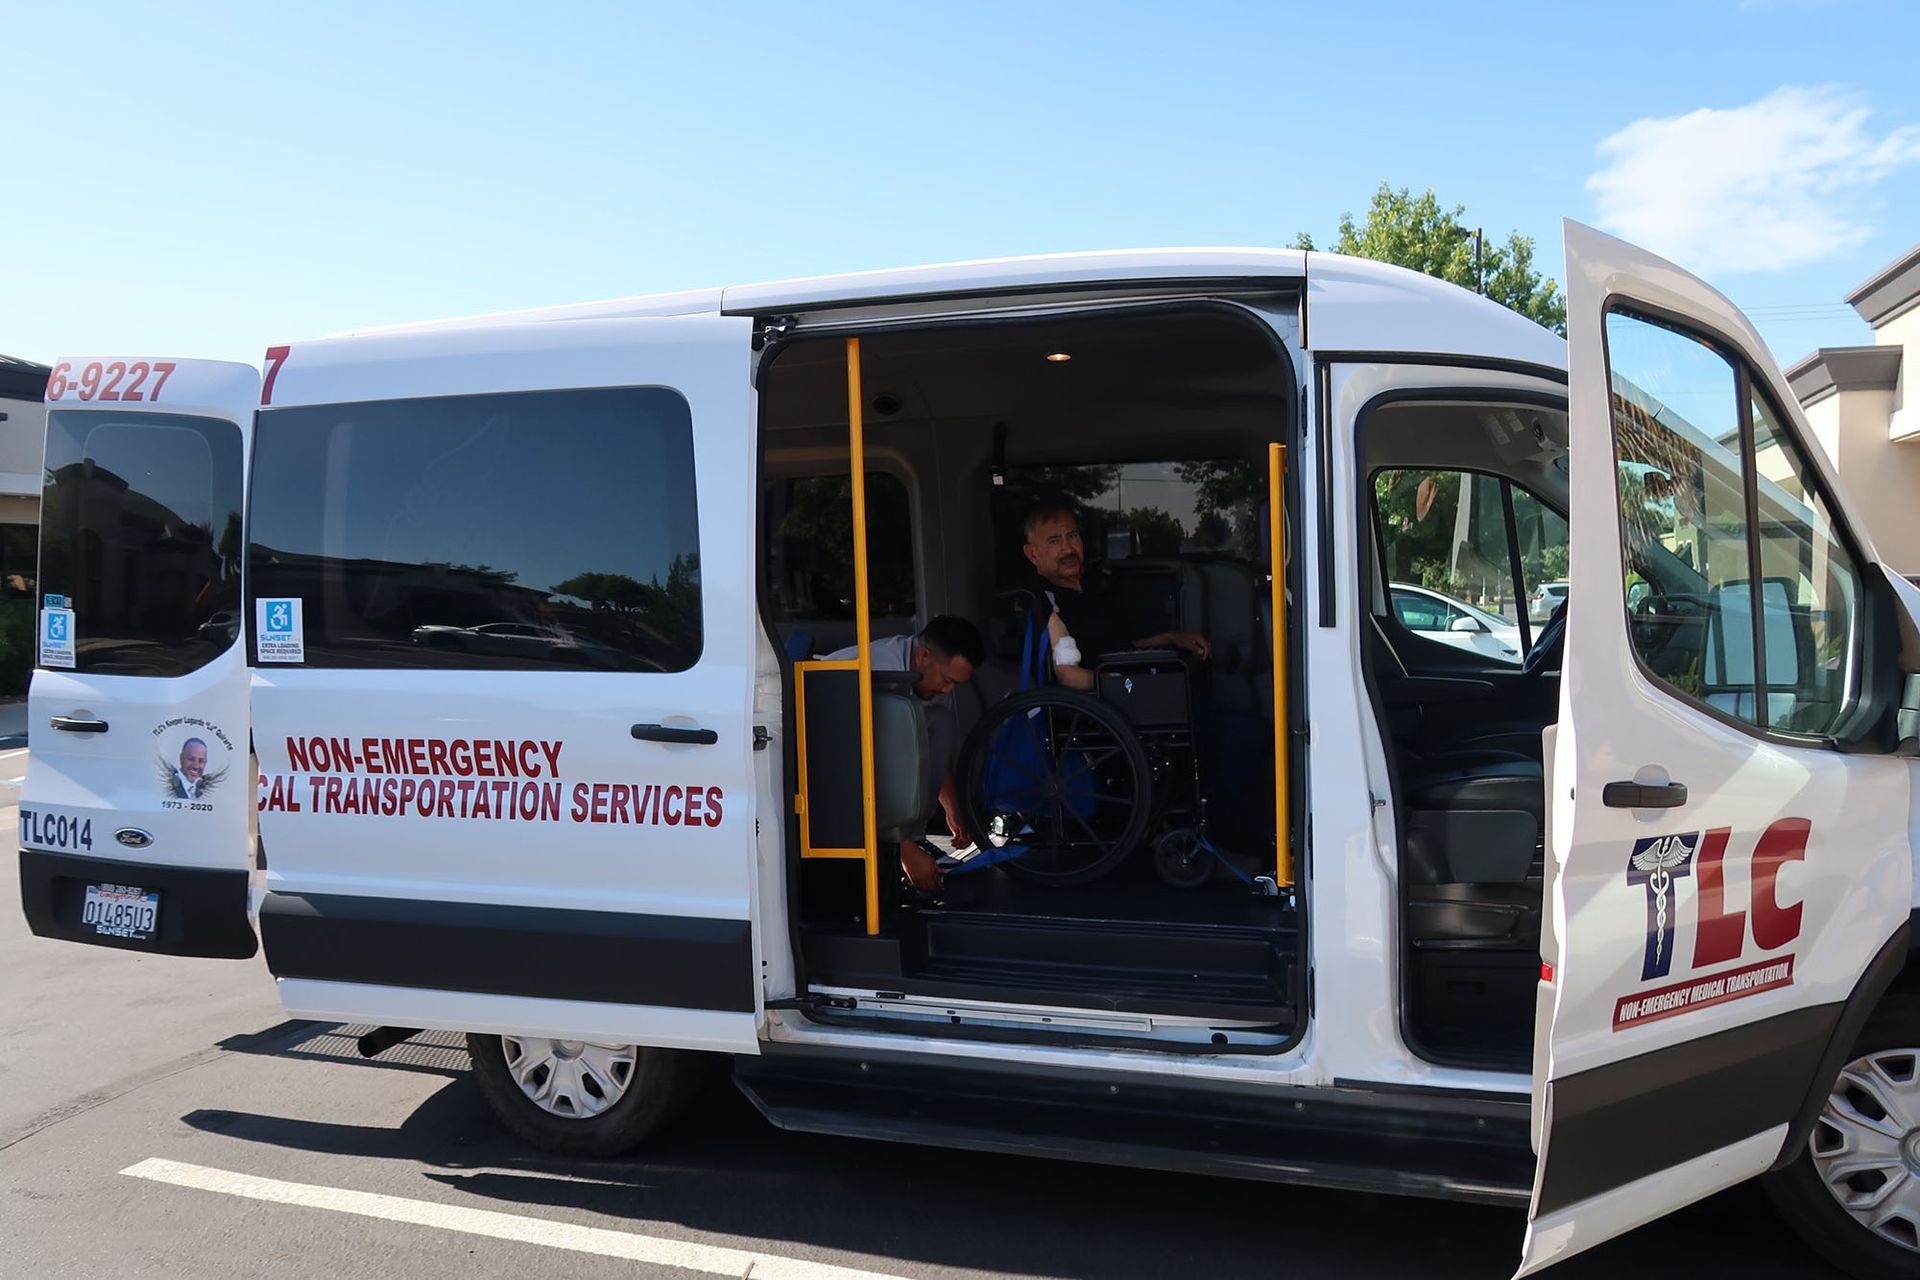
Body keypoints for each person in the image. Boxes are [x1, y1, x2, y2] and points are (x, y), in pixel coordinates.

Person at [827, 615, 984, 891]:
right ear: (923, 656)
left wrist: (952, 807)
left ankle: (911, 838)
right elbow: (865, 767)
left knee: (938, 721)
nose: (948, 690)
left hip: (864, 771)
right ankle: (900, 846)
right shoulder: (878, 674)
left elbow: (932, 743)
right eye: (947, 680)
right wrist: (905, 851)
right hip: (830, 770)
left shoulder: (926, 675)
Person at [1021, 502, 1208, 691]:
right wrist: (1122, 685)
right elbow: (1068, 675)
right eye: (1054, 541)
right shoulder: (1041, 599)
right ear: (1032, 554)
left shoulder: (1096, 587)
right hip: (1098, 707)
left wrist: (1172, 638)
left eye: (1073, 536)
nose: (1068, 549)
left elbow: (1123, 643)